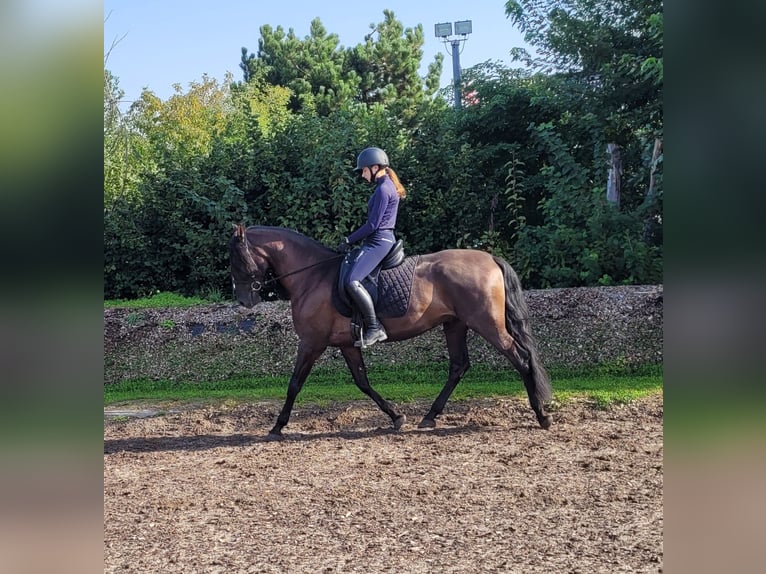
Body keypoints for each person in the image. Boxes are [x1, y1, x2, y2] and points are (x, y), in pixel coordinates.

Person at [337, 147, 407, 348]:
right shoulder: (384, 186)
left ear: (375, 167)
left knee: (351, 280)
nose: (362, 174)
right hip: (377, 240)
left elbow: (373, 225)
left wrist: (349, 240)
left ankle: (374, 328)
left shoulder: (384, 189)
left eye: (364, 170)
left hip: (379, 241)